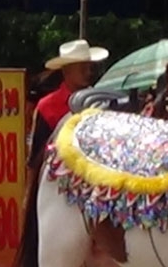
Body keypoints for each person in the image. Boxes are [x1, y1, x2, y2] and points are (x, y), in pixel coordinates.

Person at [27, 39, 110, 174]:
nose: (88, 72)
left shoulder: (101, 102)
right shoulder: (48, 106)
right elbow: (36, 157)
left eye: (89, 67)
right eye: (82, 67)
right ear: (66, 71)